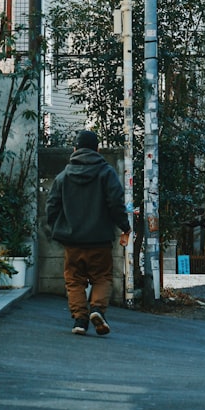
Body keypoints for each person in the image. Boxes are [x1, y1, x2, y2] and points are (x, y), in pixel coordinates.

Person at [46, 130, 131, 336]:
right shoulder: (106, 173)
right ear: (98, 149)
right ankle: (97, 309)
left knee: (74, 280)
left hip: (72, 241)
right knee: (102, 277)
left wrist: (57, 229)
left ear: (74, 150)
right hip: (100, 240)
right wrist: (125, 227)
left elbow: (51, 207)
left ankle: (80, 320)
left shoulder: (63, 176)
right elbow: (116, 203)